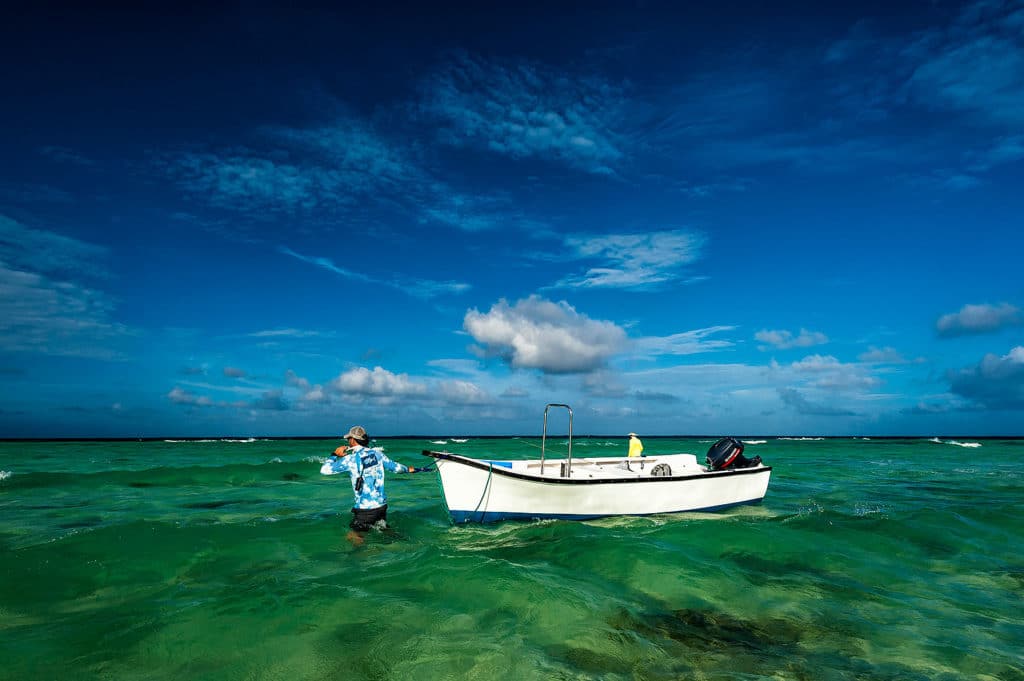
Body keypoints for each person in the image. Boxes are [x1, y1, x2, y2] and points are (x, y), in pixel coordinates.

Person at [320, 425, 423, 544]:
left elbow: (324, 470)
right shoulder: (377, 454)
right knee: (383, 529)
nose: (348, 441)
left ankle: (359, 558)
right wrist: (408, 469)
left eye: (348, 439)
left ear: (352, 440)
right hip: (381, 506)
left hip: (365, 509)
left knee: (354, 535)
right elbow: (396, 468)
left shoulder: (350, 459)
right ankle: (407, 544)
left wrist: (334, 455)